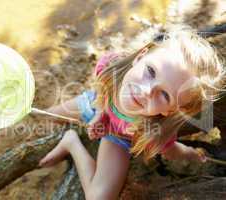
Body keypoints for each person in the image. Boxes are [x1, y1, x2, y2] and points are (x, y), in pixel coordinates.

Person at [38, 25, 226, 200]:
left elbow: (172, 150)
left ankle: (71, 143)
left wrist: (193, 154)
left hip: (116, 137)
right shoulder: (112, 64)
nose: (146, 91)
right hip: (95, 103)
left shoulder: (153, 131)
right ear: (140, 57)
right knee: (47, 116)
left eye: (164, 95)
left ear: (170, 111)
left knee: (98, 198)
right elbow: (103, 87)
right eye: (151, 71)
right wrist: (100, 114)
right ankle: (69, 131)